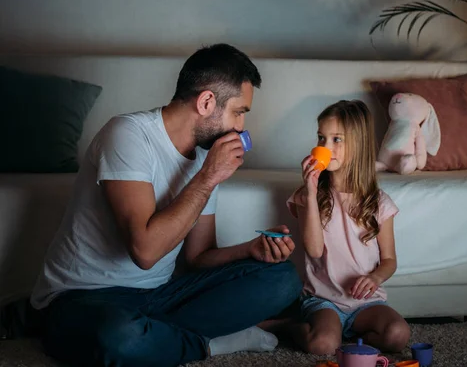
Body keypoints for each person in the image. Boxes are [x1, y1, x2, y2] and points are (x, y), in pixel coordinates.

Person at [27, 43, 303, 367]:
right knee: (121, 337)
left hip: (160, 295)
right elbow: (144, 252)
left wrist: (249, 250)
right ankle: (209, 344)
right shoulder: (127, 134)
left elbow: (198, 258)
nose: (241, 127)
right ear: (206, 102)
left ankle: (161, 337)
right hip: (86, 297)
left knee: (283, 280)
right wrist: (208, 176)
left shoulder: (203, 157)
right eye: (239, 112)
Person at [286, 100, 410, 355]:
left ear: (358, 144)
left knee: (398, 335)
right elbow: (314, 250)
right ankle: (288, 326)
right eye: (321, 138)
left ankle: (345, 333)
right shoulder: (309, 196)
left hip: (365, 303)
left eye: (336, 139)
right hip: (325, 300)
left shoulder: (379, 203)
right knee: (322, 345)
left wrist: (375, 278)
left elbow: (389, 260)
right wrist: (310, 193)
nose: (324, 147)